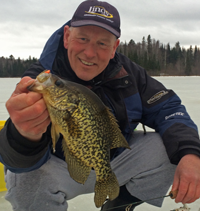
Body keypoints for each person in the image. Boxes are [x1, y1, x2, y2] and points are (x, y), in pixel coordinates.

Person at [0, 0, 200, 210]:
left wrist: (191, 154)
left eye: (102, 43)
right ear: (67, 37)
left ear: (114, 47)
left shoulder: (130, 74)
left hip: (111, 160)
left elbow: (168, 109)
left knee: (173, 146)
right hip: (56, 168)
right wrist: (24, 134)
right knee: (22, 179)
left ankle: (120, 205)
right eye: (83, 38)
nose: (89, 53)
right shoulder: (42, 79)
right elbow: (15, 161)